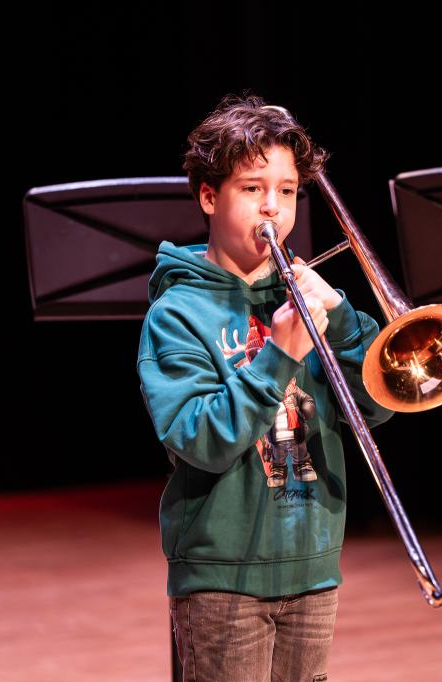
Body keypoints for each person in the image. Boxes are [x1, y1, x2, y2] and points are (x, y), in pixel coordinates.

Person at [137, 93, 393, 682]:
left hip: (313, 565)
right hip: (222, 576)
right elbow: (201, 440)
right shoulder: (177, 314)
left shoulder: (309, 301)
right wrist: (279, 355)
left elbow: (376, 410)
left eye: (288, 190)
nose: (273, 207)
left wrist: (345, 322)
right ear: (209, 196)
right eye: (253, 188)